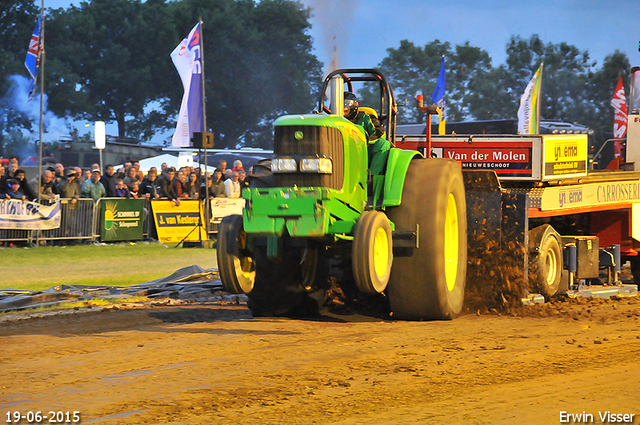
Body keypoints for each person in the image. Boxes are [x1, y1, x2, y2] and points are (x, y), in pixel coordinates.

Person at [343, 91, 390, 176]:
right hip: (341, 150)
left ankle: (372, 178)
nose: (343, 110)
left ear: (354, 105)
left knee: (384, 144)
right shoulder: (333, 122)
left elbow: (379, 133)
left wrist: (364, 142)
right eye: (339, 106)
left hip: (364, 150)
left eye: (346, 105)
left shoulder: (366, 117)